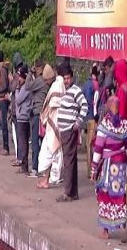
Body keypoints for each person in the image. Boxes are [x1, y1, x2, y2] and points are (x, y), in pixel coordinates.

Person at [91, 96, 127, 241]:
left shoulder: (104, 125)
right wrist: (123, 159)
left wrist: (93, 169)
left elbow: (98, 149)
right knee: (120, 196)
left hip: (107, 167)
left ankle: (106, 231)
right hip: (120, 167)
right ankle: (122, 227)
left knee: (105, 196)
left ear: (108, 107)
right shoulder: (125, 124)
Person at [56, 67, 88, 202]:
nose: (66, 80)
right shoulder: (66, 91)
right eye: (65, 78)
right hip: (64, 130)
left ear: (72, 78)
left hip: (70, 130)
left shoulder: (76, 91)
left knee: (68, 162)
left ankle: (68, 192)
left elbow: (85, 106)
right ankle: (73, 192)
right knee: (71, 161)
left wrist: (78, 122)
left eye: (68, 78)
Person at [37, 65, 65, 189]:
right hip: (55, 124)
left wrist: (45, 117)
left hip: (55, 123)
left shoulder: (56, 86)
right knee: (50, 153)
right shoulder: (58, 85)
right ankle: (47, 179)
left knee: (50, 153)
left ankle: (49, 180)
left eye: (46, 80)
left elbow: (52, 105)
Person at [24, 60, 54, 177]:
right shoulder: (49, 82)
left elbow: (27, 86)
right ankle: (44, 168)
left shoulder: (41, 81)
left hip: (38, 114)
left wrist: (30, 74)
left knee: (35, 142)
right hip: (45, 114)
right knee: (44, 142)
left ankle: (35, 168)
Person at [14, 65, 31, 174]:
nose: (18, 79)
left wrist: (16, 89)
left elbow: (18, 99)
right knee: (23, 142)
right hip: (22, 116)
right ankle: (24, 164)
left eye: (20, 77)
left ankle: (24, 166)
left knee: (23, 142)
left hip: (23, 117)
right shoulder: (25, 86)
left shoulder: (25, 88)